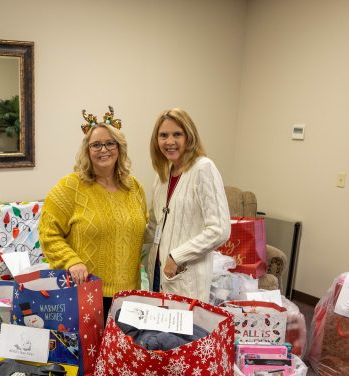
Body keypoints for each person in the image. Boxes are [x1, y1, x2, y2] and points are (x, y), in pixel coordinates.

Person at [39, 107, 148, 319]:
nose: (103, 149)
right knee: (90, 352)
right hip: (86, 293)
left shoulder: (135, 188)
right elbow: (47, 231)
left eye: (110, 143)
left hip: (129, 295)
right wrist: (71, 261)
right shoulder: (70, 187)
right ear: (87, 151)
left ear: (119, 148)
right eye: (96, 145)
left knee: (121, 352)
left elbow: (145, 232)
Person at [145, 108, 231, 303]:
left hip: (186, 276)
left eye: (177, 134)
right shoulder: (162, 176)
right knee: (158, 330)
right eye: (163, 135)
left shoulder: (203, 168)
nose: (169, 142)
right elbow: (156, 226)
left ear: (189, 137)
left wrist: (176, 257)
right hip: (158, 273)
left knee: (181, 331)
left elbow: (220, 229)